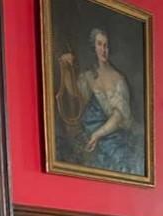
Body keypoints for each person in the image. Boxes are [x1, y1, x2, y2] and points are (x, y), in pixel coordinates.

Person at [56, 27, 142, 174]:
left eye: (106, 45)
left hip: (115, 136)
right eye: (100, 44)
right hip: (94, 135)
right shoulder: (89, 76)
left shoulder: (118, 79)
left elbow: (117, 117)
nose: (104, 49)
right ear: (94, 47)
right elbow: (75, 95)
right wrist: (66, 68)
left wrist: (96, 135)